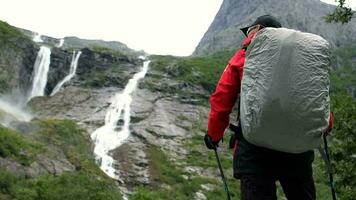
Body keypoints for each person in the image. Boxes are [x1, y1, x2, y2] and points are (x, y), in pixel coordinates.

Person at [204, 15, 333, 200]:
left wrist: (213, 135)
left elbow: (222, 97)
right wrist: (325, 126)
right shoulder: (300, 60)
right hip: (297, 148)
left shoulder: (246, 53)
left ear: (256, 29)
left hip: (254, 148)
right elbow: (317, 96)